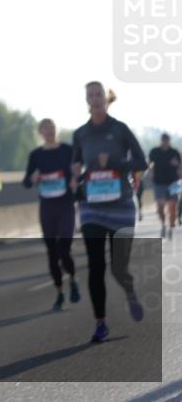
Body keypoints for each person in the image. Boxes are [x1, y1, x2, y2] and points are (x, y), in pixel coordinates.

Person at [71, 81, 147, 343]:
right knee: (95, 264)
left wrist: (114, 163)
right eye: (90, 94)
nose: (95, 98)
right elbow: (75, 163)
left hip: (121, 205)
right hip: (92, 206)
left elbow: (141, 162)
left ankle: (129, 288)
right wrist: (74, 177)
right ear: (87, 100)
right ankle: (100, 323)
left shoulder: (120, 129)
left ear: (107, 98)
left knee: (118, 267)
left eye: (99, 94)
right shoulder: (80, 133)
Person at [23, 118, 80, 310]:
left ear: (56, 130)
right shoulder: (36, 155)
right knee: (51, 251)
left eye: (52, 128)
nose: (49, 131)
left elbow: (79, 171)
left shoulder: (67, 150)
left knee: (64, 247)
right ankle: (59, 292)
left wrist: (75, 179)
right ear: (40, 132)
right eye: (45, 128)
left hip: (65, 204)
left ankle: (72, 278)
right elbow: (26, 182)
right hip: (47, 206)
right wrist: (33, 178)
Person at [149, 133, 181, 240]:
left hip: (173, 183)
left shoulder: (174, 152)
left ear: (169, 141)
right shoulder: (154, 151)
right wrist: (150, 170)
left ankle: (171, 228)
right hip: (158, 182)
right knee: (160, 207)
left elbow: (180, 166)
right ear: (161, 141)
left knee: (172, 207)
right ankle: (163, 224)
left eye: (167, 140)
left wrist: (177, 165)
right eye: (164, 140)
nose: (165, 142)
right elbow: (149, 163)